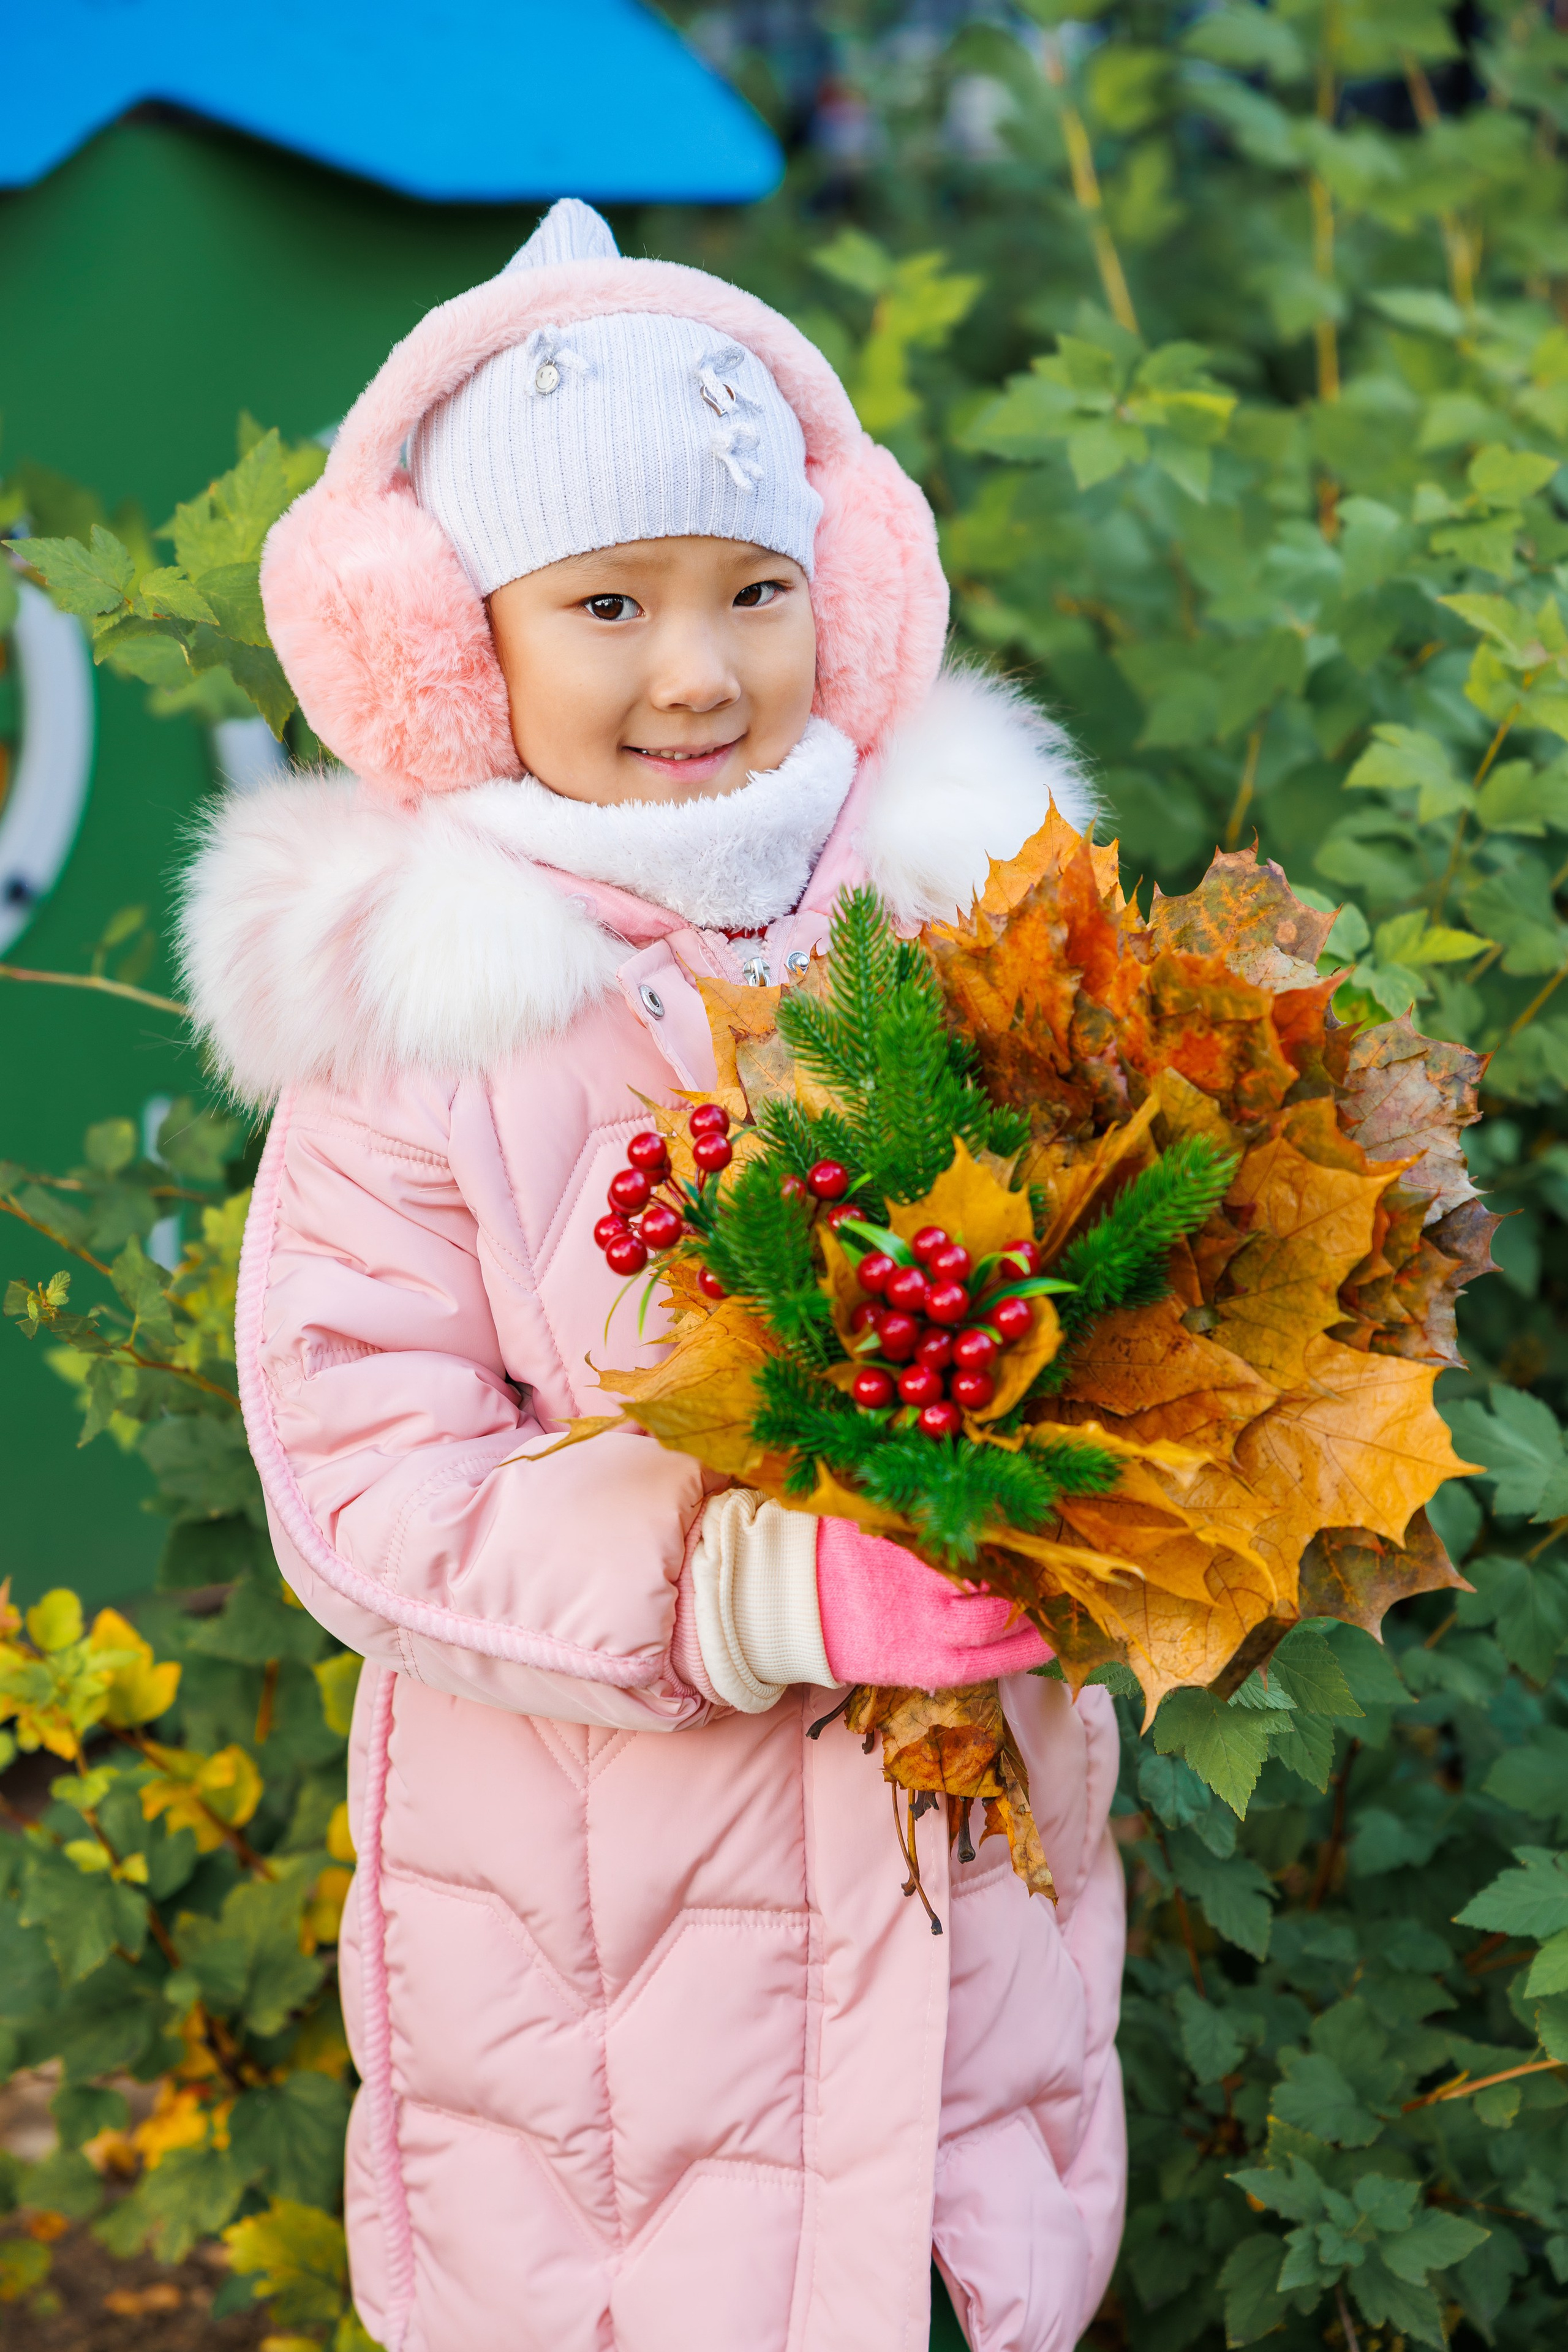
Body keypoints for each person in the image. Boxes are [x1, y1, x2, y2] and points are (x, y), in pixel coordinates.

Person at [182, 200, 1127, 2352]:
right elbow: (369, 1487)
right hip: (614, 2009)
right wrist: (755, 1588)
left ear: (846, 597)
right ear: (450, 647)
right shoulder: (417, 1041)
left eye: (754, 590)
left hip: (962, 1924)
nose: (696, 670)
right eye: (607, 602)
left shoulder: (960, 939)